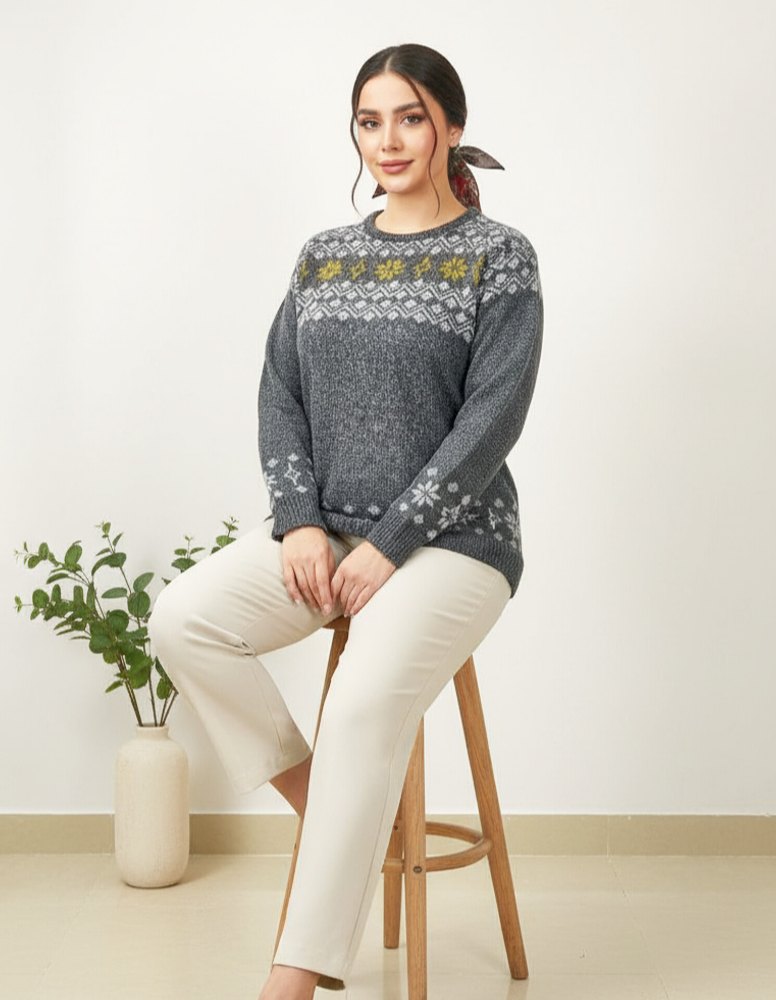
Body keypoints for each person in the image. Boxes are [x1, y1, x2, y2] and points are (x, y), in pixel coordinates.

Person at [147, 41, 543, 1000]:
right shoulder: (324, 255)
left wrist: (391, 544)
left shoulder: (500, 256)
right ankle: (323, 799)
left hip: (457, 543)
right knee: (183, 620)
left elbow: (491, 422)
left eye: (410, 118)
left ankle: (292, 980)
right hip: (326, 532)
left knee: (361, 701)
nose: (388, 140)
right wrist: (299, 522)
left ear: (450, 126)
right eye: (370, 121)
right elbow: (279, 392)